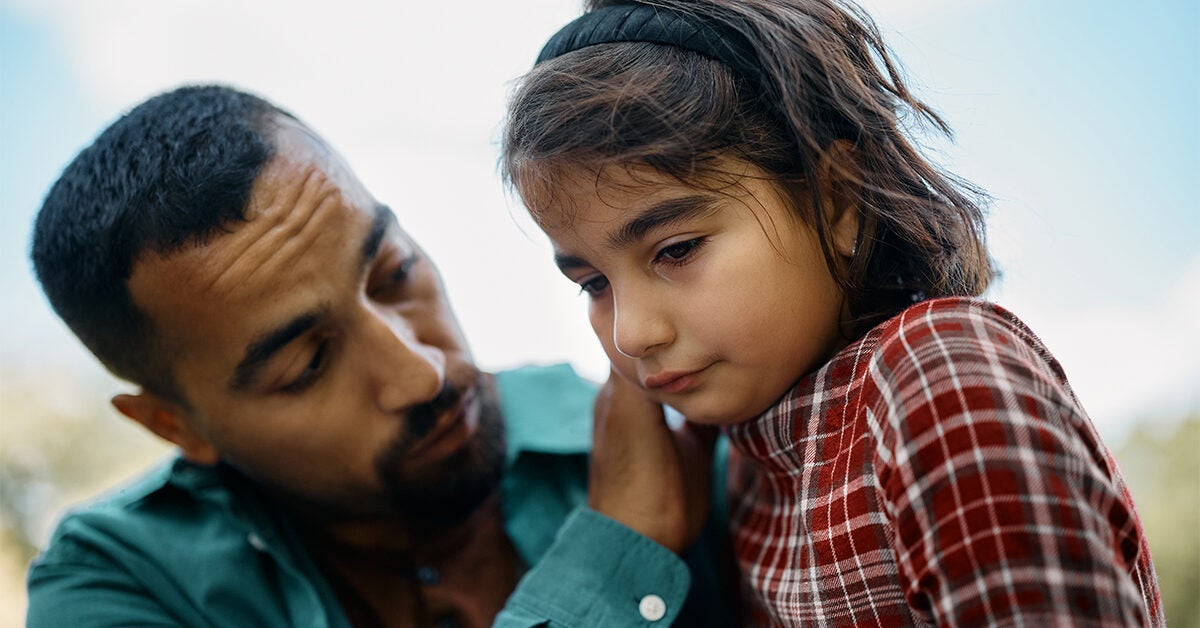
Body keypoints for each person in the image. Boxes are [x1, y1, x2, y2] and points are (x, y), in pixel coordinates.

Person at [501, 0, 1164, 625]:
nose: (632, 334)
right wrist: (625, 539)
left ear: (840, 200)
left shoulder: (937, 379)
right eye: (593, 284)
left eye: (677, 250)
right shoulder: (736, 466)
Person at [26, 84, 733, 627]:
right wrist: (616, 555)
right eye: (306, 365)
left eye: (394, 275)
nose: (420, 372)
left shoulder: (681, 424)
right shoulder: (116, 583)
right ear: (176, 425)